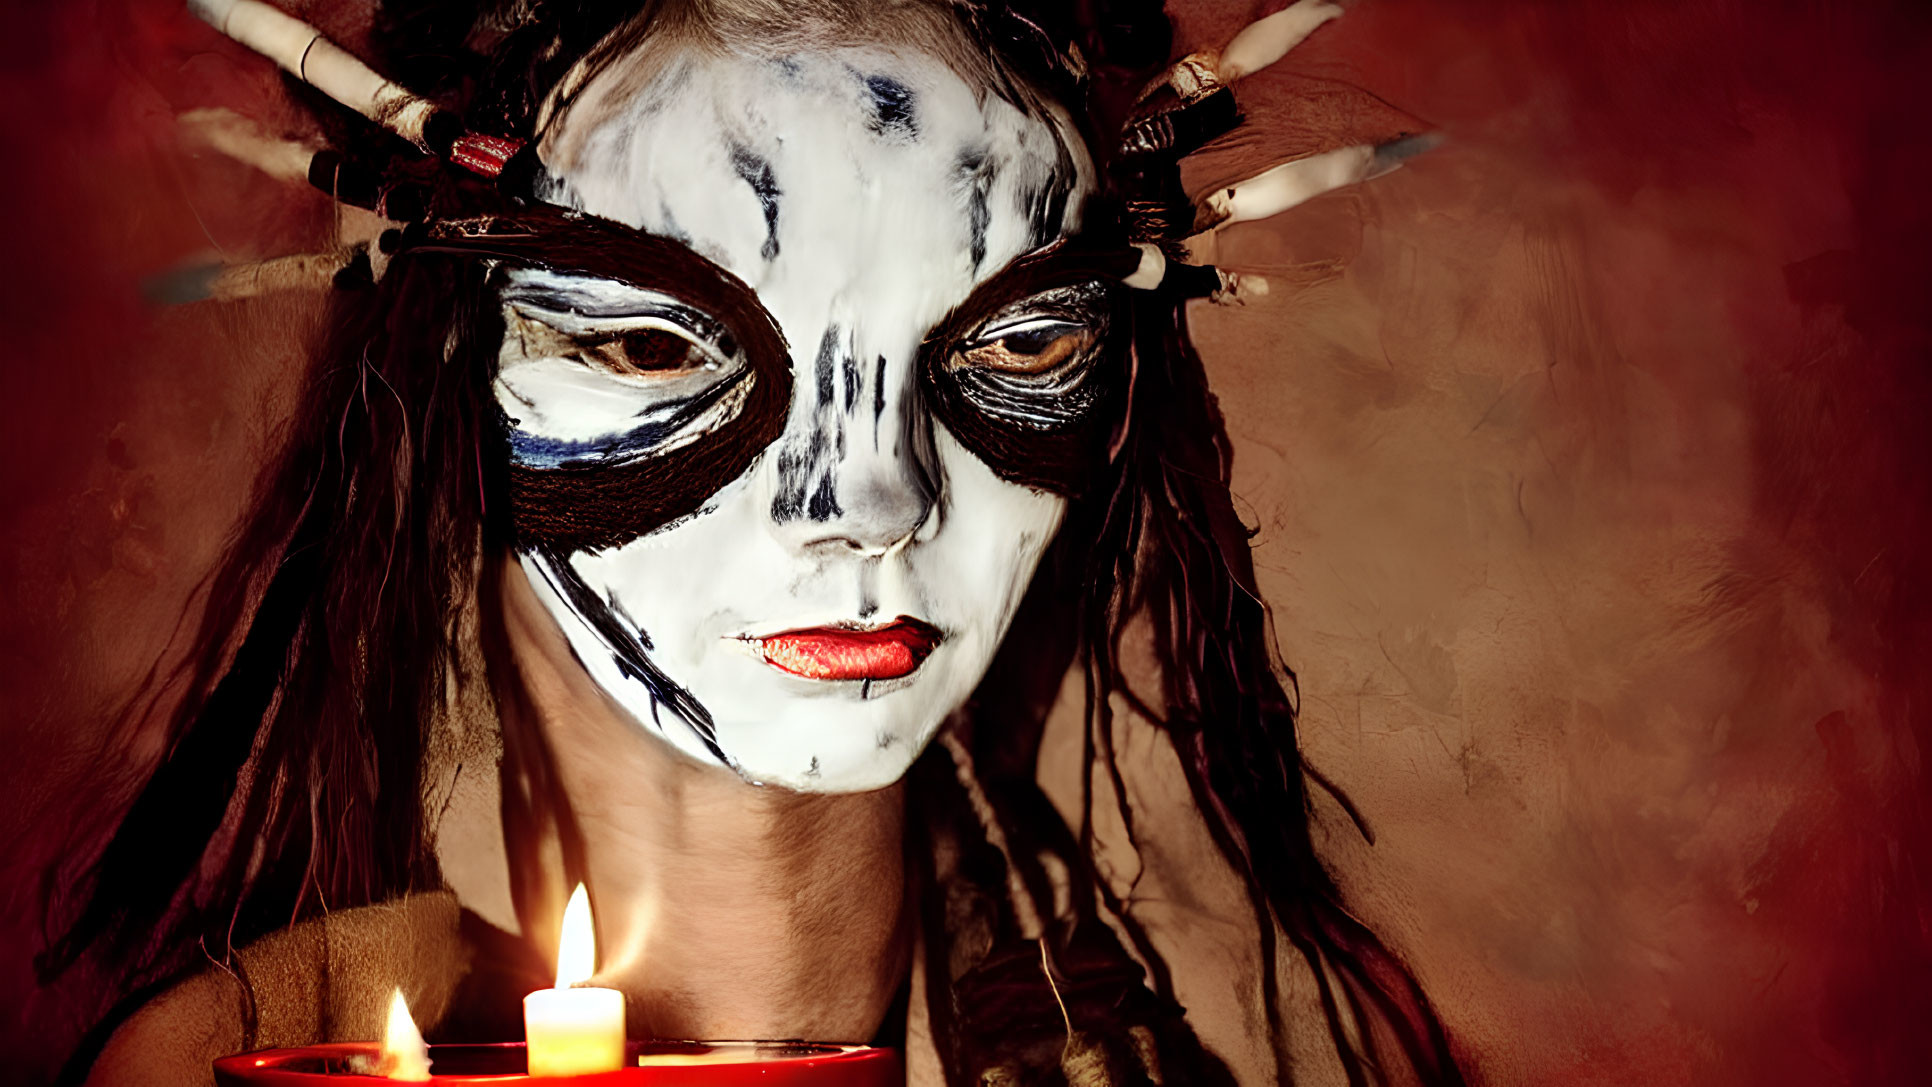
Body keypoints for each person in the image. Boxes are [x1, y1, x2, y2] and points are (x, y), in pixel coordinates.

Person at [41, 1, 1462, 1084]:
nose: (867, 499)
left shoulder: (1269, 1048)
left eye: (1024, 340)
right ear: (451, 362)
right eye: (655, 341)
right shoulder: (250, 1061)